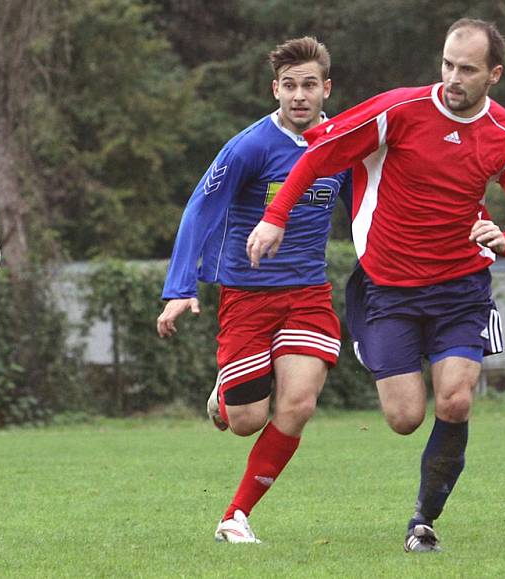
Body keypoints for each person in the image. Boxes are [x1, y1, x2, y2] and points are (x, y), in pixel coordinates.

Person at [247, 18, 505, 552]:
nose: (453, 78)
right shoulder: (401, 110)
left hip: (462, 286)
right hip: (387, 287)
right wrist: (275, 216)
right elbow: (320, 153)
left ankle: (423, 521)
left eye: (467, 69)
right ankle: (380, 349)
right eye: (447, 65)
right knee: (404, 417)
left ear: (494, 75)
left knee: (455, 401)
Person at [156, 37, 351, 543]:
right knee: (245, 421)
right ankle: (226, 397)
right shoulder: (250, 146)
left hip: (308, 293)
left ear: (326, 88)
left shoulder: (342, 144)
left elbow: (371, 202)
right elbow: (200, 208)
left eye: (310, 85)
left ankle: (235, 516)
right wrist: (181, 286)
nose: (300, 95)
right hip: (247, 295)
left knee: (299, 404)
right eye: (290, 86)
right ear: (275, 89)